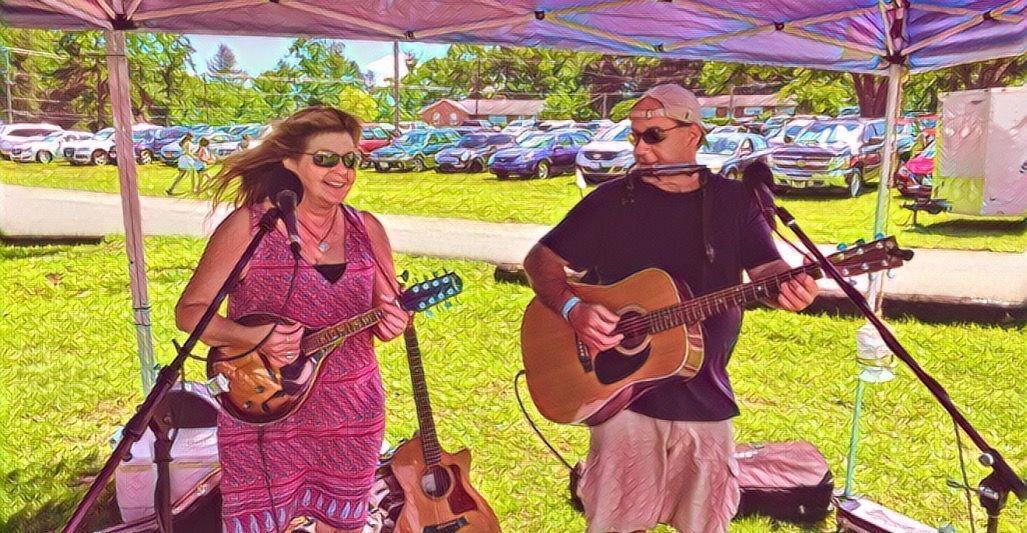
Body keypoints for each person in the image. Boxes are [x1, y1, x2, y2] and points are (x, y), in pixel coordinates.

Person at [522, 84, 819, 533]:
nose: (640, 149)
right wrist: (572, 310)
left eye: (654, 136)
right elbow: (540, 262)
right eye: (635, 137)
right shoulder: (610, 201)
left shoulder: (734, 202)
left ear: (693, 136)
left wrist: (790, 287)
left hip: (706, 394)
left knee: (705, 523)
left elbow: (767, 269)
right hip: (621, 397)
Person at [174, 106, 409, 533]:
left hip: (351, 412)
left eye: (350, 160)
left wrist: (393, 322)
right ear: (290, 162)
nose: (342, 171)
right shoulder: (249, 227)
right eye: (325, 159)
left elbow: (387, 308)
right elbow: (190, 314)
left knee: (344, 525)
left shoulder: (367, 229)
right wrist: (251, 335)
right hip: (265, 411)